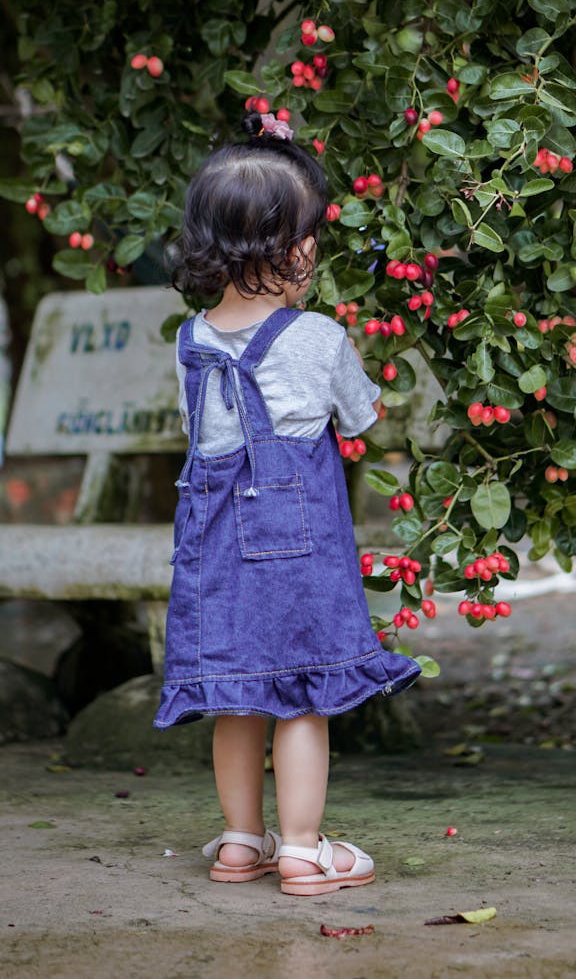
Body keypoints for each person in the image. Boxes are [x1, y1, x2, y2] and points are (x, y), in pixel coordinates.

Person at [154, 110, 421, 896]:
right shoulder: (320, 338)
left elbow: (198, 434)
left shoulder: (189, 341)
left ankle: (241, 841)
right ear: (288, 246)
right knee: (304, 689)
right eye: (310, 232)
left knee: (238, 687)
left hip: (214, 542)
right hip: (299, 543)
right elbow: (364, 415)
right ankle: (303, 849)